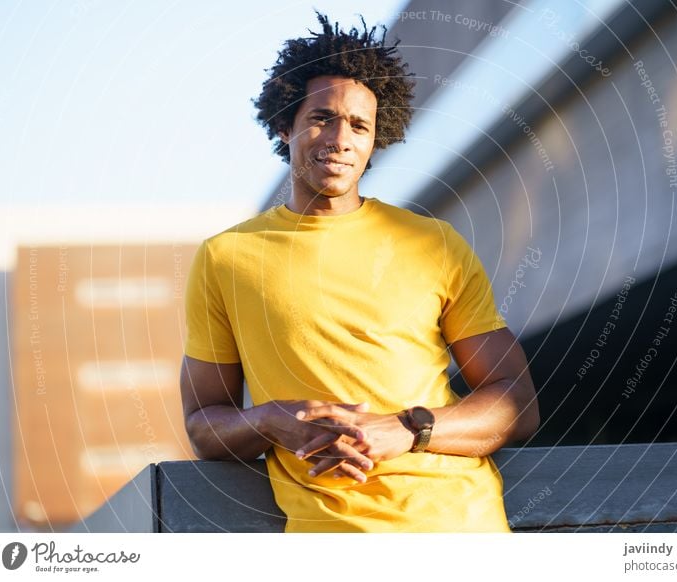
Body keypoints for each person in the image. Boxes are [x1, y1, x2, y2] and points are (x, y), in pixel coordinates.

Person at [180, 12, 539, 532]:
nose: (341, 138)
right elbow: (203, 426)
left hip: (462, 530)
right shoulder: (226, 256)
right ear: (286, 125)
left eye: (359, 125)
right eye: (322, 117)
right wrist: (270, 421)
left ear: (375, 141)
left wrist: (408, 428)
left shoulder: (431, 242)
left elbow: (516, 402)